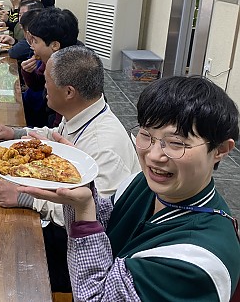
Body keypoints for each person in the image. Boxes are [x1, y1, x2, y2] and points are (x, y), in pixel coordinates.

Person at [20, 75, 240, 301]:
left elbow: (95, 298)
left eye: (176, 143)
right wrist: (79, 184)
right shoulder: (142, 183)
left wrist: (84, 211)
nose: (154, 156)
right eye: (146, 135)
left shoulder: (194, 263)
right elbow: (106, 222)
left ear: (220, 149)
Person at [0, 46, 140, 293]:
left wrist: (25, 198)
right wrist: (17, 133)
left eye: (47, 80)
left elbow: (92, 214)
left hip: (85, 254)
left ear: (69, 92)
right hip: (67, 222)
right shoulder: (83, 113)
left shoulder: (103, 147)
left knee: (5, 254)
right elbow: (55, 136)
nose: (44, 85)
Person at [23, 7, 79, 128]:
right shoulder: (51, 59)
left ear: (54, 45)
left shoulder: (68, 72)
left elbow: (59, 129)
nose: (32, 46)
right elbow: (37, 85)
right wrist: (28, 71)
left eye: (35, 41)